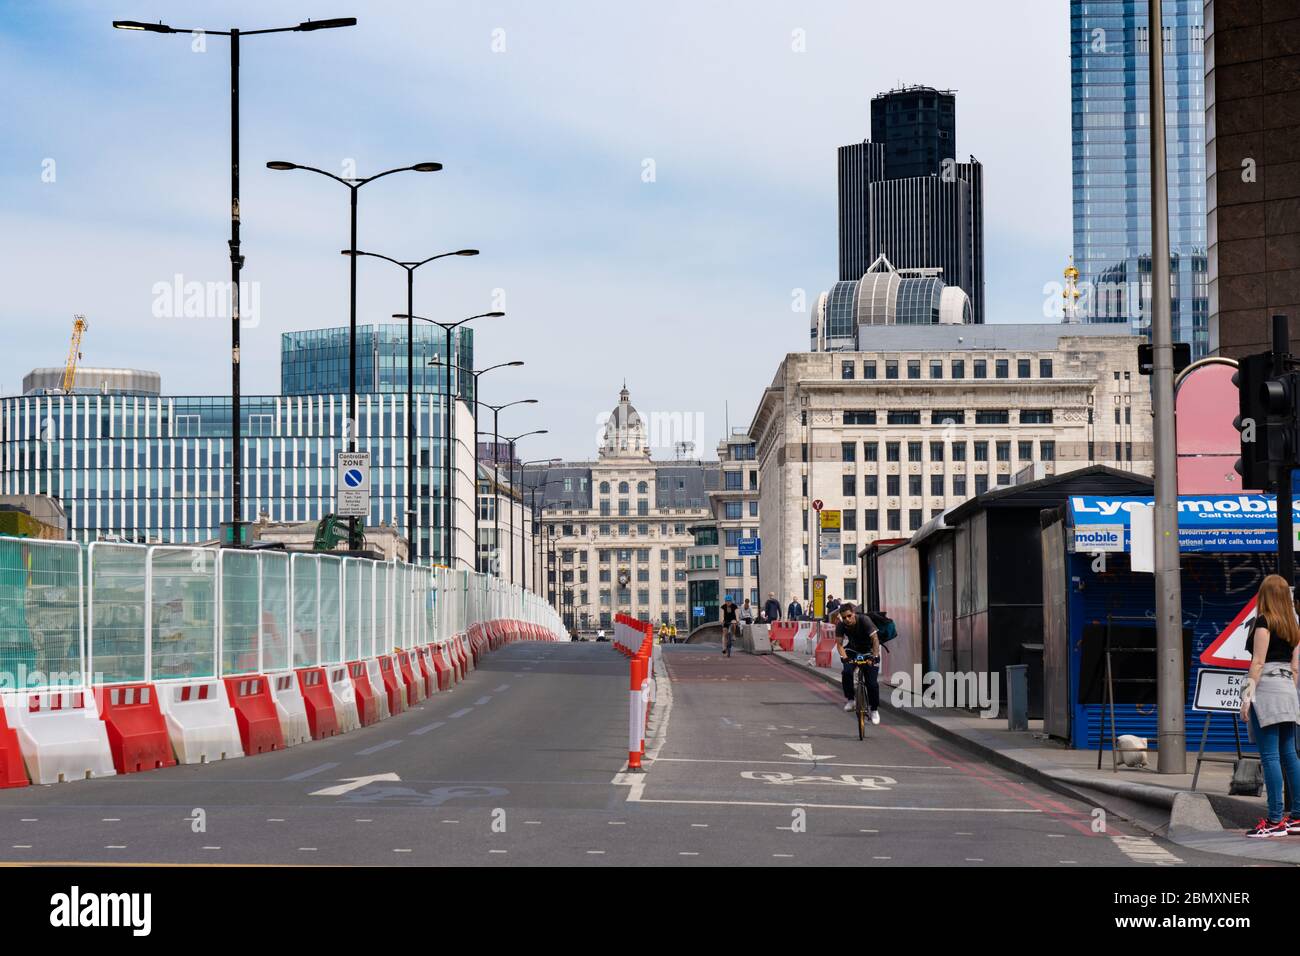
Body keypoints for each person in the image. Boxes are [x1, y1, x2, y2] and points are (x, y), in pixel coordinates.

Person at [1241, 574, 1300, 837]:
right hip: (1288, 689)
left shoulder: (1264, 622)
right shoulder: (1293, 625)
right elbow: (1296, 667)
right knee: (1290, 755)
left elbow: (1257, 663)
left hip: (1266, 689)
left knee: (1271, 756)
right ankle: (1297, 817)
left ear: (1264, 595)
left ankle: (1275, 820)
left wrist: (1246, 697)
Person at [834, 603, 881, 724]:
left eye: (849, 616)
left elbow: (875, 639)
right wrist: (845, 658)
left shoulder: (864, 620)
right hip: (853, 650)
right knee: (846, 671)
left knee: (872, 683)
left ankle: (874, 709)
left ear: (853, 613)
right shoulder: (841, 625)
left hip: (869, 651)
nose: (847, 619)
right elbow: (839, 644)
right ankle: (851, 700)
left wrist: (874, 656)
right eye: (844, 617)